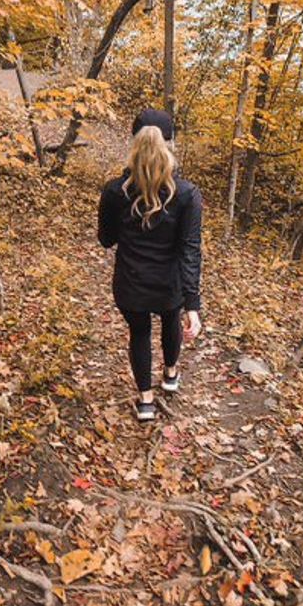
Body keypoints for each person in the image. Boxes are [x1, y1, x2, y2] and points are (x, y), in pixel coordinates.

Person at [98, 108, 202, 422]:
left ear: (134, 143)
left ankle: (146, 401)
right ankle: (170, 374)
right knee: (171, 320)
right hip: (169, 286)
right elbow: (190, 250)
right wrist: (192, 306)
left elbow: (106, 240)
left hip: (130, 285)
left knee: (139, 333)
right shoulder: (187, 194)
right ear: (171, 144)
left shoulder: (115, 191)